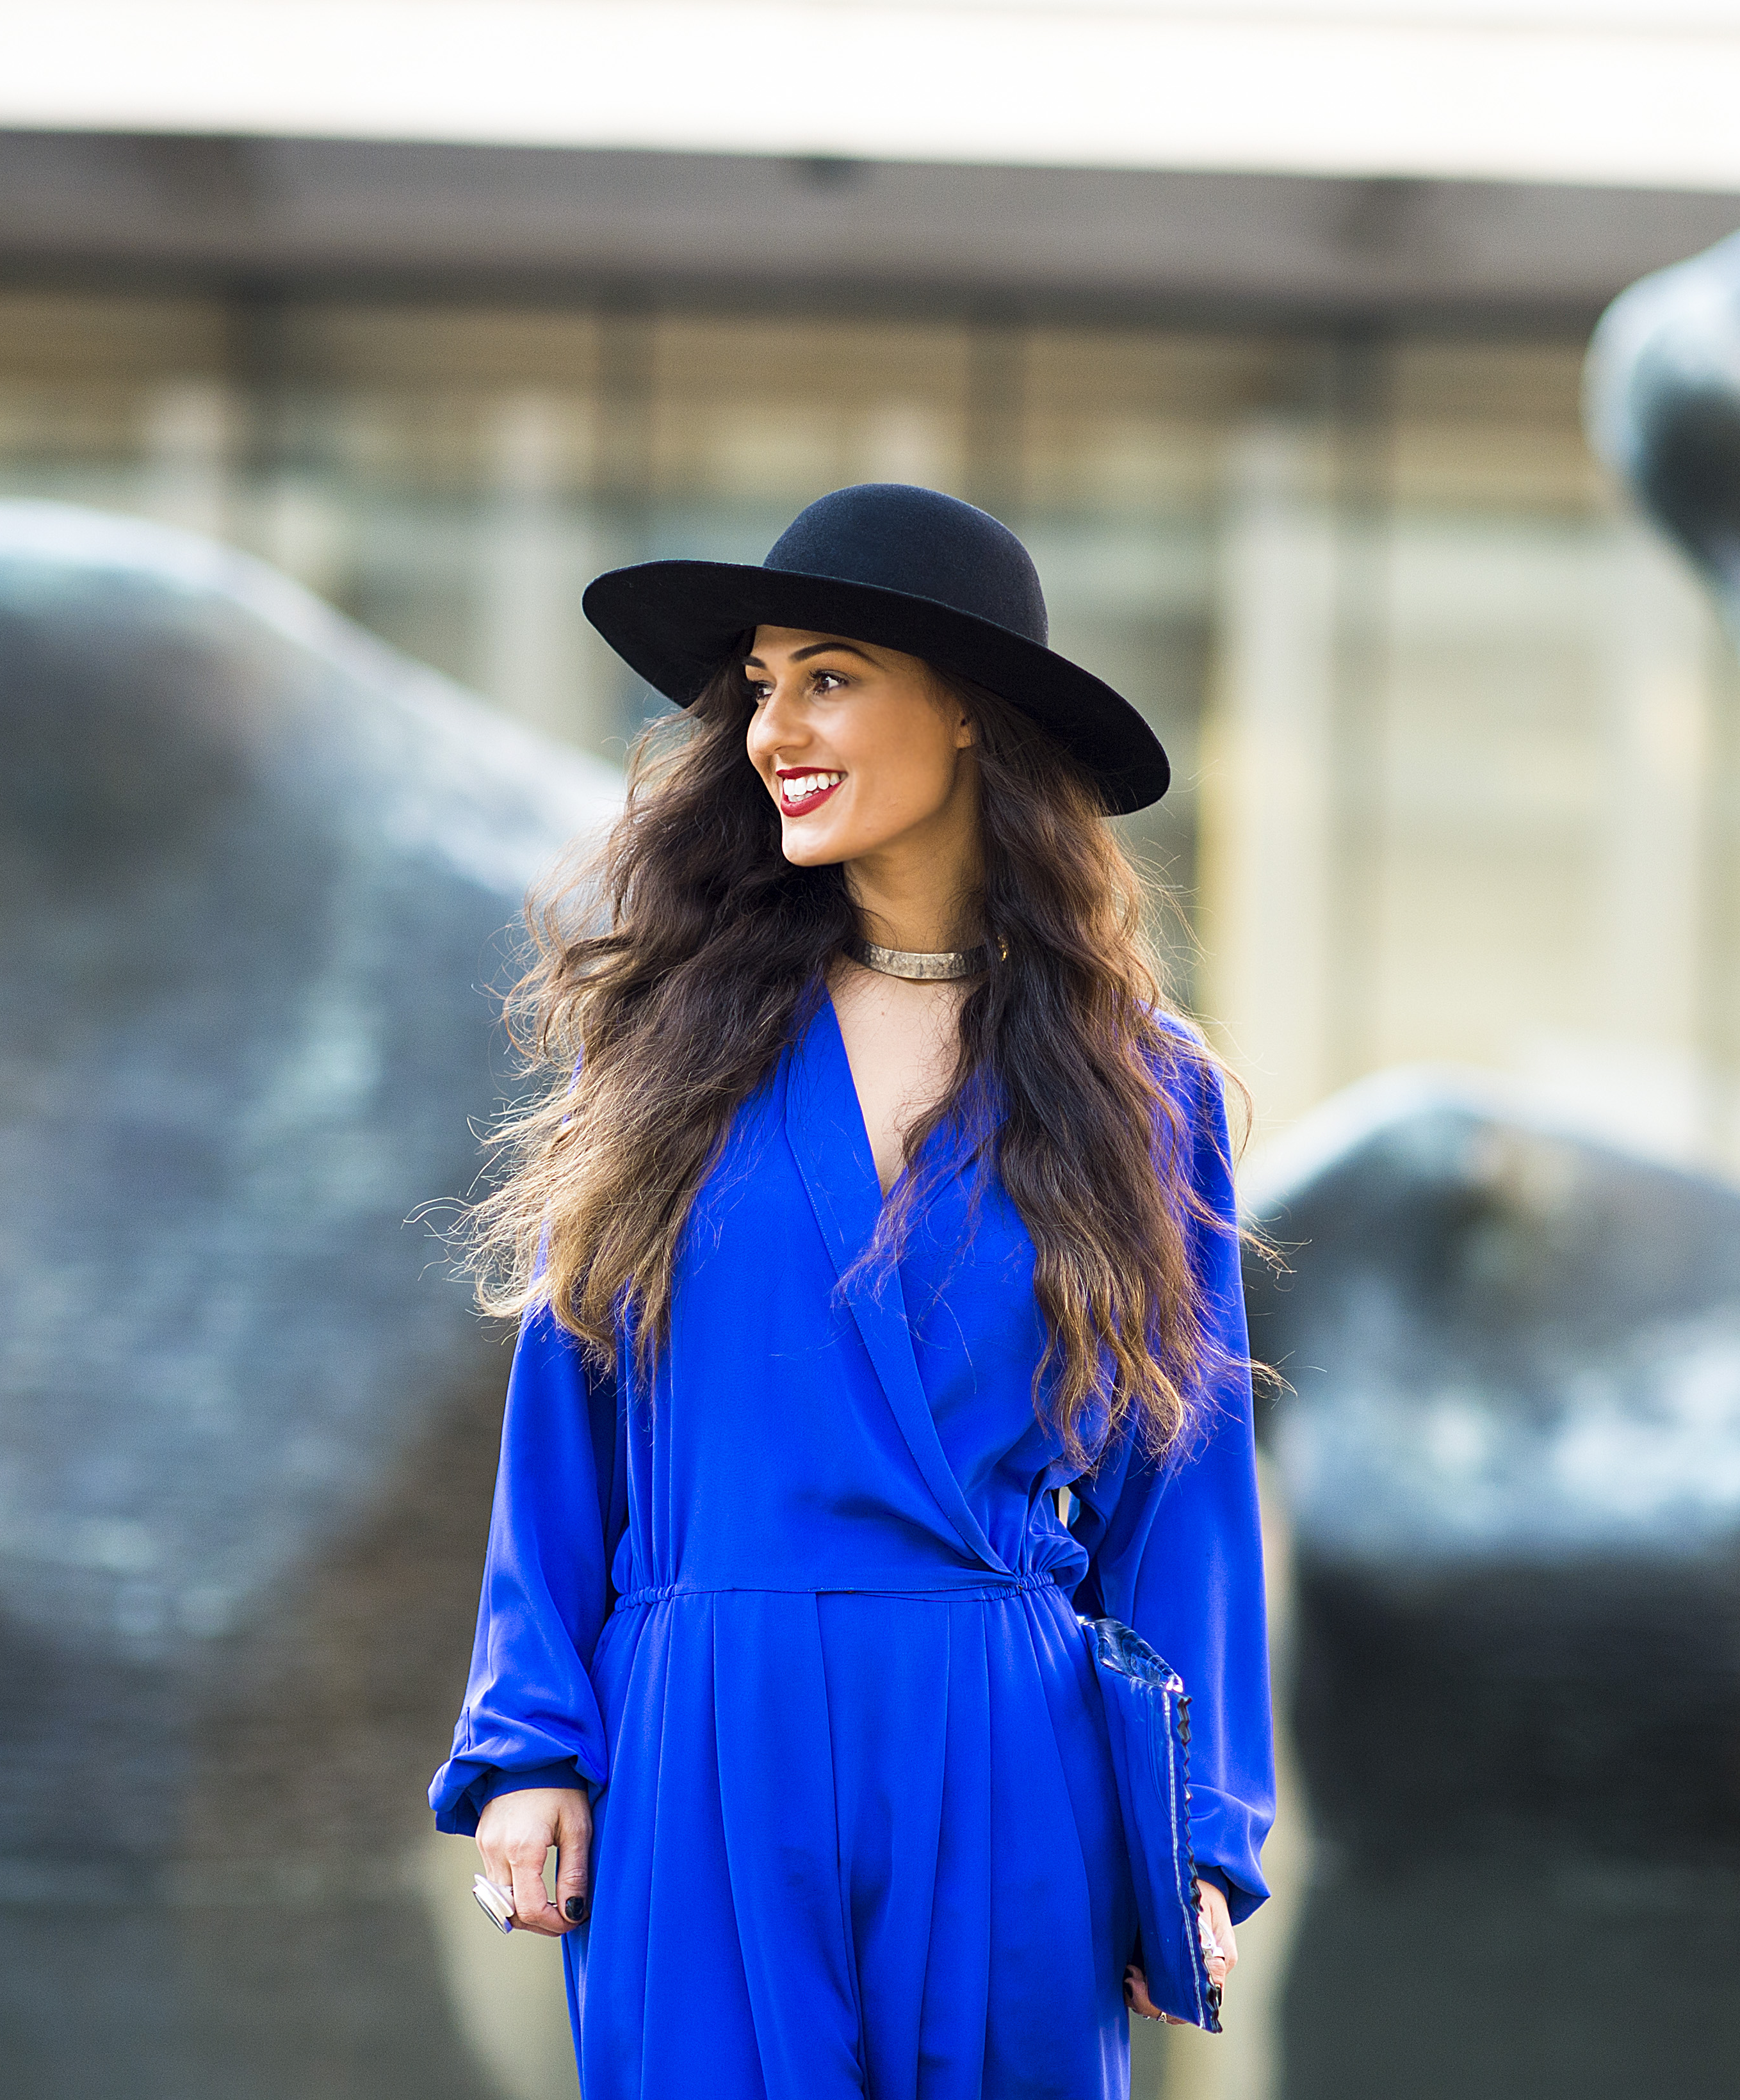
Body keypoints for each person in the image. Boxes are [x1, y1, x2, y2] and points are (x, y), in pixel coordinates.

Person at [428, 481, 1275, 2097]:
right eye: (759, 686)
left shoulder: (1147, 1094)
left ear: (966, 713)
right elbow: (565, 1413)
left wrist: (1201, 1838)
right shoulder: (667, 1045)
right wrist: (532, 1740)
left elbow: (1189, 1482)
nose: (772, 728)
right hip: (703, 1721)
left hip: (1007, 1728)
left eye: (827, 676)